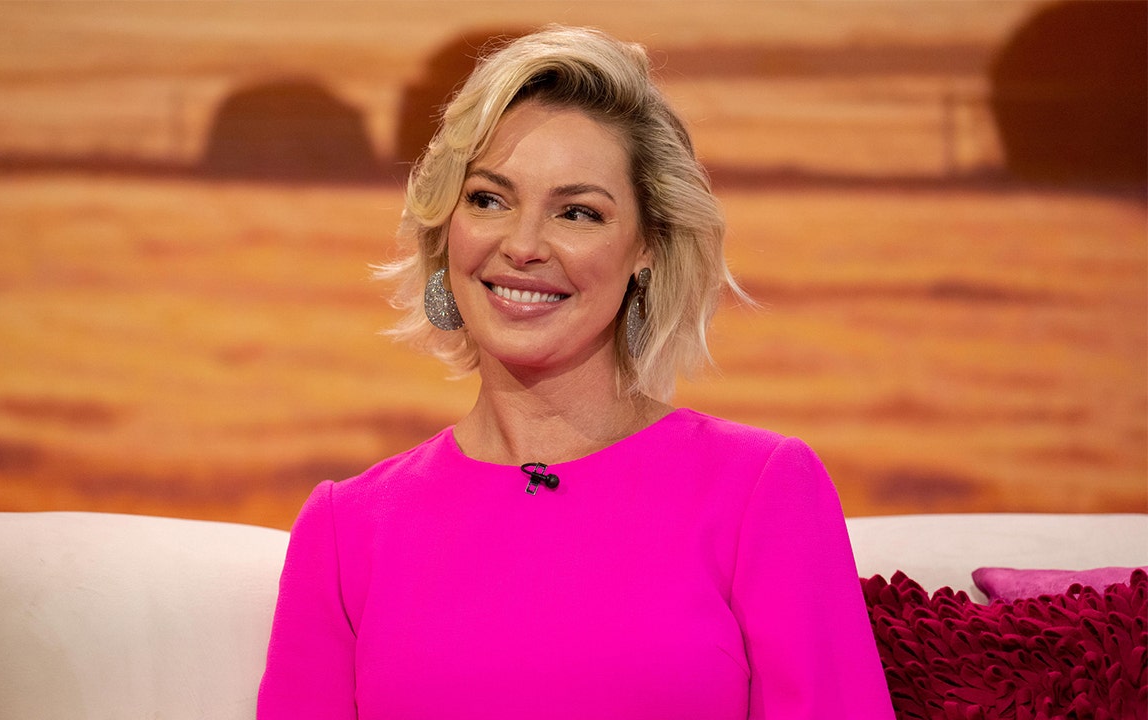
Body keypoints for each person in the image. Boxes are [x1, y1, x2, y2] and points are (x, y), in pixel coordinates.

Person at [258, 26, 896, 720]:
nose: (523, 245)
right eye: (488, 199)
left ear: (648, 246)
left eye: (578, 212)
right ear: (445, 228)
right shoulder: (345, 530)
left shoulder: (762, 491)